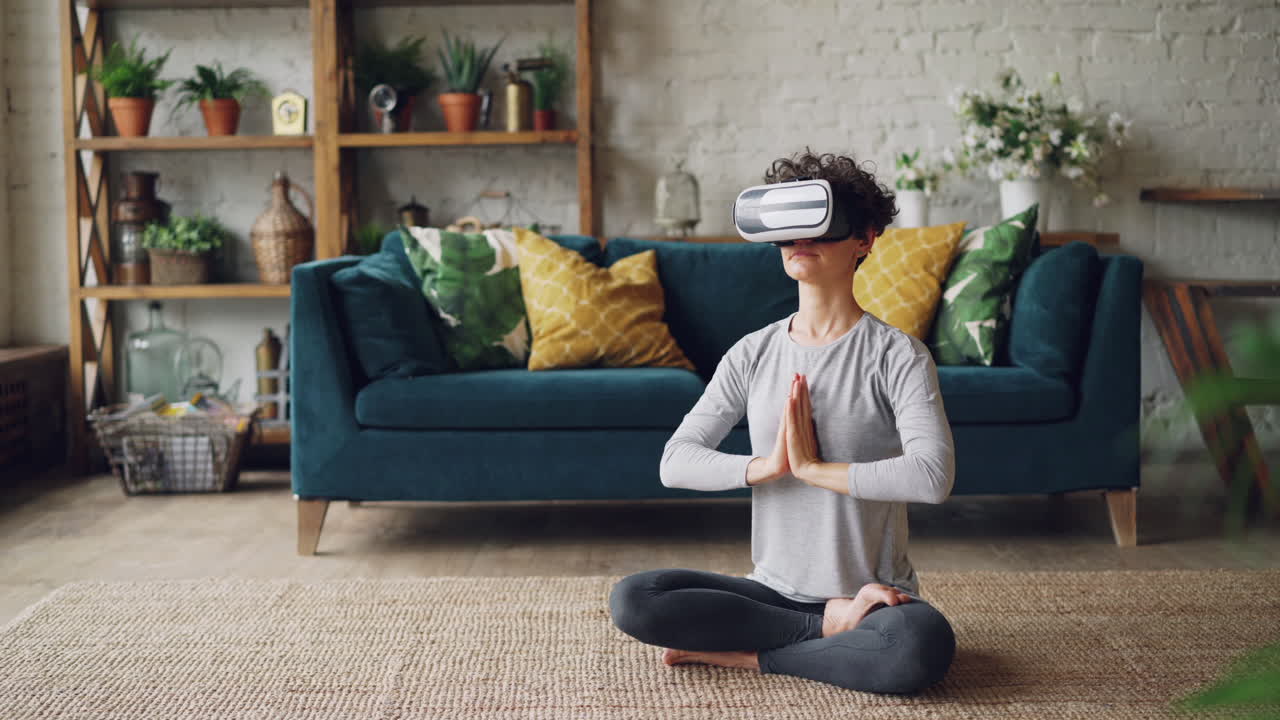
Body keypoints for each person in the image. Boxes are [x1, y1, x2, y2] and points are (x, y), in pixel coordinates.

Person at [608, 150, 958, 694]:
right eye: (790, 230)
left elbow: (932, 476)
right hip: (771, 593)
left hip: (876, 596)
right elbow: (674, 463)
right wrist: (769, 466)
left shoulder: (898, 356)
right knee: (635, 599)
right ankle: (821, 630)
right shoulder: (751, 354)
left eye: (819, 228)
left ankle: (755, 657)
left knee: (919, 646)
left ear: (864, 239)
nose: (800, 240)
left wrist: (816, 469)